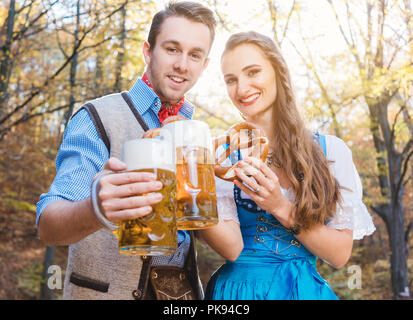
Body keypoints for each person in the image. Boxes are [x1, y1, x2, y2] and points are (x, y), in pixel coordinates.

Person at [36, 1, 216, 300]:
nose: (183, 65)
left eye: (194, 55)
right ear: (148, 51)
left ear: (204, 65)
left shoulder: (193, 134)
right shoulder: (97, 116)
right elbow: (48, 226)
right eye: (172, 49)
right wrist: (94, 208)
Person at [200, 31, 376, 300]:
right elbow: (230, 250)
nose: (242, 88)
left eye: (253, 72)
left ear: (277, 71)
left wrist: (279, 206)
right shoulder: (219, 156)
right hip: (238, 293)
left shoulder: (331, 151)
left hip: (302, 291)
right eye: (231, 80)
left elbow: (339, 255)